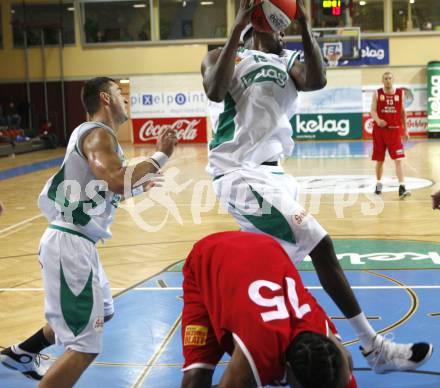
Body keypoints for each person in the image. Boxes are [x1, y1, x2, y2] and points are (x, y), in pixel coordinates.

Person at [202, 0, 432, 374]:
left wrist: (306, 24)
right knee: (320, 244)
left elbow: (318, 80)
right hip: (240, 173)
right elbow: (213, 90)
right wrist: (237, 30)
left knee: (277, 275)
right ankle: (375, 349)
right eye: (274, 23)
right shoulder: (224, 55)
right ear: (257, 21)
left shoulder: (288, 61)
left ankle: (253, 358)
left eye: (283, 26)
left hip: (276, 176)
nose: (279, 30)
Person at [0, 77, 178, 387]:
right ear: (105, 99)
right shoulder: (98, 134)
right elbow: (113, 178)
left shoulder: (100, 137)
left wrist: (134, 186)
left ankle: (21, 354)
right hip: (70, 244)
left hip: (76, 242)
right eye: (119, 93)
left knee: (102, 313)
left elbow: (107, 189)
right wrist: (160, 155)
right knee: (85, 346)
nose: (125, 99)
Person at [181, 231, 357, 388]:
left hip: (266, 249)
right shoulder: (255, 359)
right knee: (196, 375)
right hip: (210, 256)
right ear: (287, 369)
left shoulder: (338, 361)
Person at [370, 71, 410, 198]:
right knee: (380, 161)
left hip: (394, 131)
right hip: (380, 132)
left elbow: (403, 112)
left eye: (390, 78)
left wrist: (406, 129)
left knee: (399, 160)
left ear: (393, 80)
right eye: (386, 78)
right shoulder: (377, 93)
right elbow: (372, 110)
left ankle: (402, 187)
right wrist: (377, 120)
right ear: (383, 80)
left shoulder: (400, 93)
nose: (388, 80)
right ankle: (378, 185)